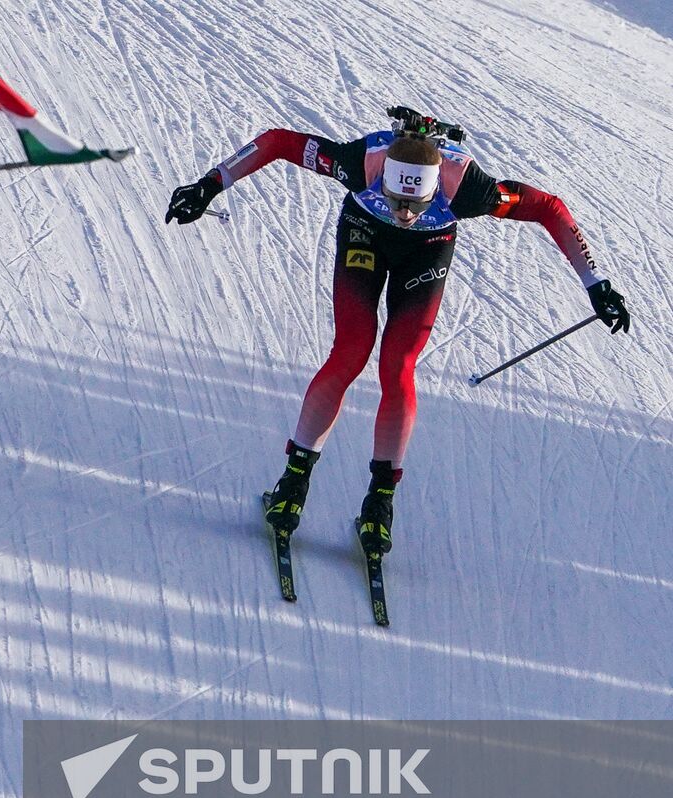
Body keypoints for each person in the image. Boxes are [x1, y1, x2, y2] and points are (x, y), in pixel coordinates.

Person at [164, 116, 630, 555]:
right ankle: (294, 483)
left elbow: (550, 208)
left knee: (398, 365)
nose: (405, 213)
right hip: (365, 233)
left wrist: (596, 283)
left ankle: (379, 502)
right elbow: (278, 142)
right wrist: (208, 185)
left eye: (416, 203)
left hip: (426, 254)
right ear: (383, 176)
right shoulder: (360, 163)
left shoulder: (467, 187)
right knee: (350, 352)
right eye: (397, 199)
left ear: (435, 190)